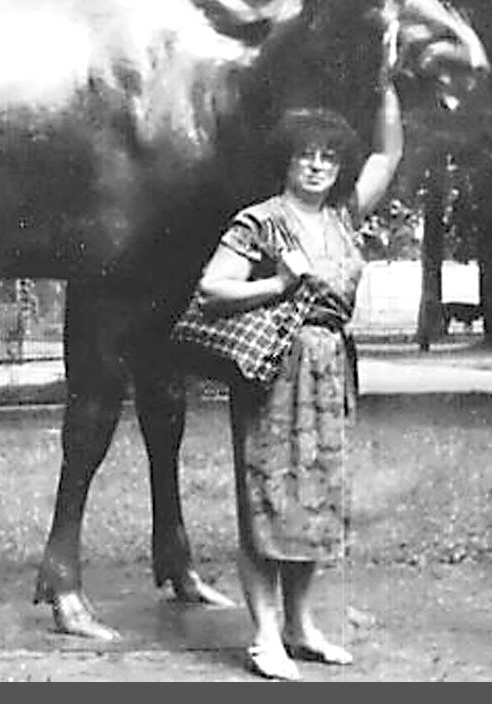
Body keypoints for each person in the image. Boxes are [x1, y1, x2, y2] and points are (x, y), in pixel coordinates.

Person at [174, 74, 402, 681]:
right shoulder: (261, 222)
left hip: (331, 368)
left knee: (318, 501)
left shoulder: (344, 217)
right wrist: (276, 285)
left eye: (329, 157)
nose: (319, 166)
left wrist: (382, 76)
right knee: (267, 500)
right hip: (275, 366)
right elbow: (212, 287)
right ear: (288, 160)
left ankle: (302, 626)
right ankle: (265, 638)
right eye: (307, 155)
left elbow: (390, 152)